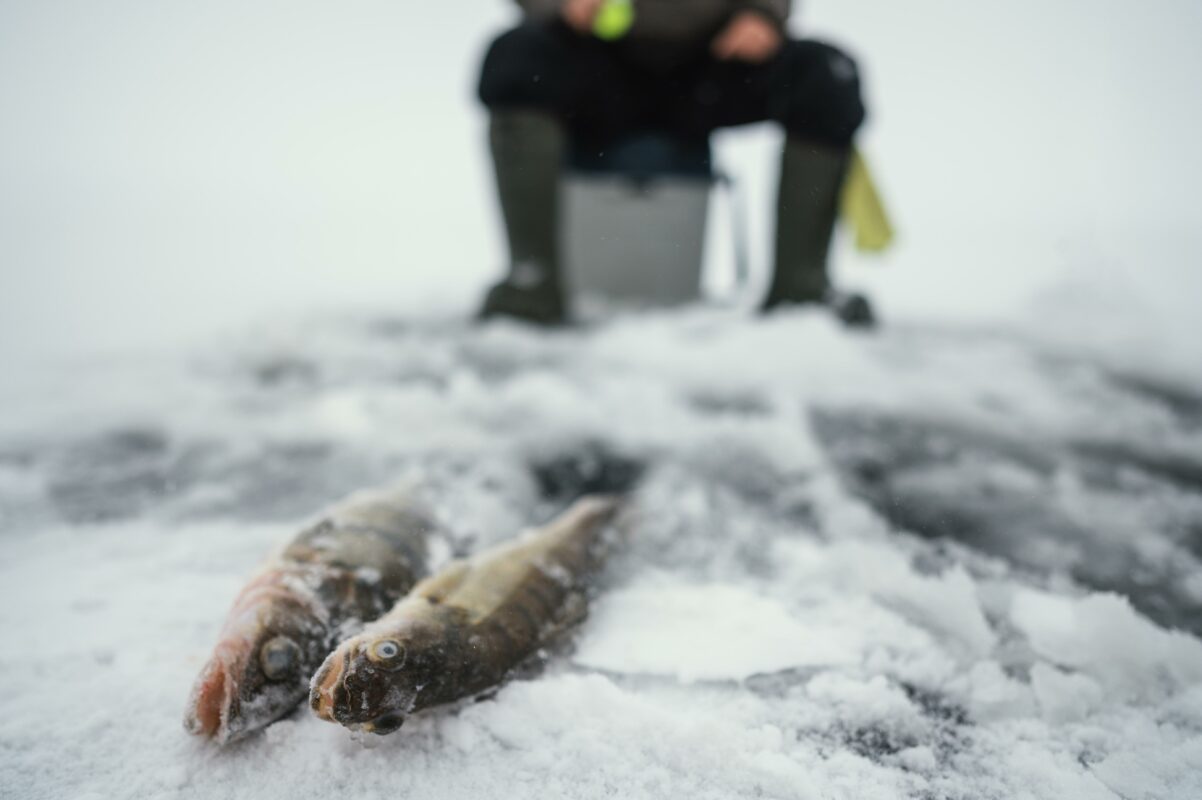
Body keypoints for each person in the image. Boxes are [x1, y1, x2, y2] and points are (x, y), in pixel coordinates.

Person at [476, 0, 874, 327]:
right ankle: (532, 287)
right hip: (593, 56)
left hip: (717, 60)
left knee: (826, 75)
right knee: (515, 59)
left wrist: (763, 13)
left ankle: (800, 295)